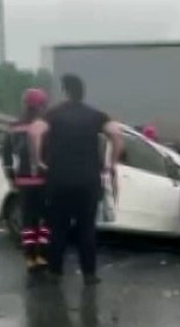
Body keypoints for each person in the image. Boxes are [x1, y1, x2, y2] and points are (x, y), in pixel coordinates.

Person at [42, 74, 122, 285]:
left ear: (65, 91)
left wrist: (39, 160)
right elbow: (116, 134)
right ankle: (89, 274)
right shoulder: (95, 115)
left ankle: (55, 271)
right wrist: (112, 163)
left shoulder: (53, 114)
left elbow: (35, 134)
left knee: (58, 228)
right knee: (86, 229)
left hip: (59, 181)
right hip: (88, 182)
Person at [1, 88, 50, 270]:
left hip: (23, 180)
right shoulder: (46, 125)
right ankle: (42, 254)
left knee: (28, 219)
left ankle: (30, 256)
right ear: (42, 105)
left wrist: (10, 176)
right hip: (45, 180)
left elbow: (5, 153)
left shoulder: (14, 126)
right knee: (45, 219)